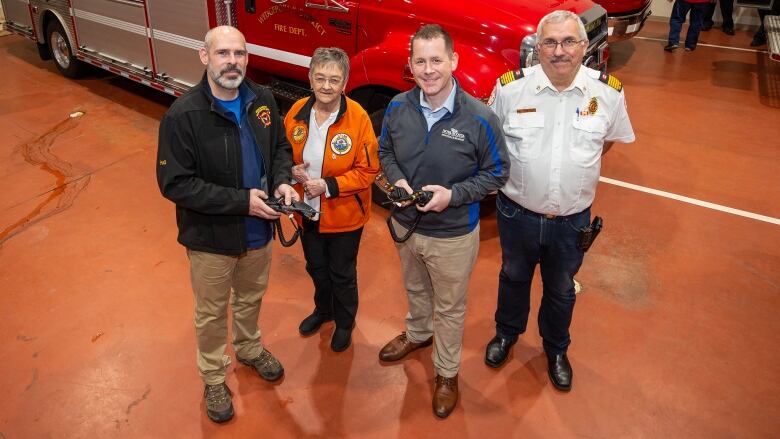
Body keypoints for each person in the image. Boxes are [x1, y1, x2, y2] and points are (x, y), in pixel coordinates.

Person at [485, 10, 635, 392]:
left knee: (562, 288)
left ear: (584, 47)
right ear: (537, 47)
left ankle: (555, 349)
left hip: (572, 220)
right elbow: (492, 140)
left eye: (569, 41)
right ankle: (506, 334)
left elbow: (609, 139)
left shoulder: (608, 92)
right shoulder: (509, 89)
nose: (559, 51)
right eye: (549, 42)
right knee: (513, 277)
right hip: (516, 213)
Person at [156, 26, 298, 423]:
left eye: (239, 53)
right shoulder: (184, 115)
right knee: (212, 311)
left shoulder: (263, 100)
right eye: (223, 54)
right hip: (210, 239)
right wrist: (242, 202)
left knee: (251, 298)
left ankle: (249, 349)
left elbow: (281, 147)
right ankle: (214, 375)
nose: (232, 62)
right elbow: (175, 183)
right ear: (205, 57)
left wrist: (283, 179)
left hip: (258, 231)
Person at [378, 24, 509, 418]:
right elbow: (386, 151)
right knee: (415, 288)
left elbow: (498, 172)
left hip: (452, 233)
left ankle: (447, 373)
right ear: (410, 65)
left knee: (450, 308)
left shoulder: (480, 117)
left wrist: (452, 196)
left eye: (437, 60)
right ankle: (418, 333)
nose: (429, 69)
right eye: (420, 61)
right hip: (405, 227)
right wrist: (397, 179)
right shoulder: (398, 107)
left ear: (453, 61)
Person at [284, 47, 379, 352]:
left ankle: (345, 321)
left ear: (345, 82)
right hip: (306, 213)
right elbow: (283, 152)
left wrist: (328, 185)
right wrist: (290, 168)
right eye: (320, 77)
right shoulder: (297, 111)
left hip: (345, 217)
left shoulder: (358, 118)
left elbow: (368, 171)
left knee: (342, 272)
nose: (326, 86)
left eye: (334, 80)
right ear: (310, 78)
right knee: (316, 267)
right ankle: (323, 311)